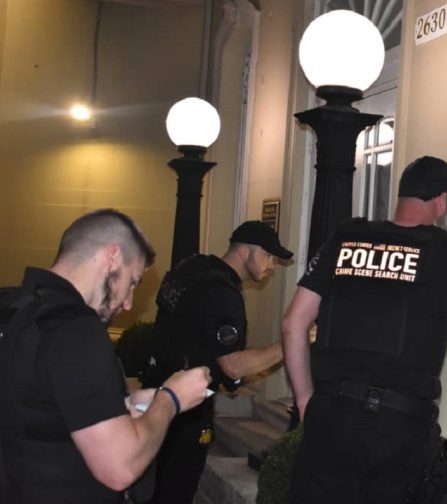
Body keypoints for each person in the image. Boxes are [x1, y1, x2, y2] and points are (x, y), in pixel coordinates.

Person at [282, 155, 447, 503]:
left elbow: (293, 324)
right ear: (442, 201)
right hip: (397, 430)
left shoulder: (345, 239)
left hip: (331, 416)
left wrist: (305, 400)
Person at [0, 208, 211, 503]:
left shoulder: (13, 310)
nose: (128, 303)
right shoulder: (76, 330)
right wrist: (171, 400)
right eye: (133, 282)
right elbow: (119, 467)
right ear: (112, 257)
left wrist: (125, 405)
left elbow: (37, 405)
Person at [142, 220, 293, 503]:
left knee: (154, 488)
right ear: (246, 251)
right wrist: (289, 344)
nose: (271, 265)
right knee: (175, 490)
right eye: (268, 255)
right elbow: (233, 365)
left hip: (155, 395)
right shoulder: (222, 293)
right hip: (185, 411)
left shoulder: (191, 268)